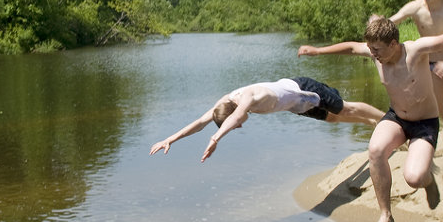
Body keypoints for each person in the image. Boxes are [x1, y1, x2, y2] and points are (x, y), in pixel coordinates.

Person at [298, 2, 443, 222]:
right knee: (375, 150)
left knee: (414, 177)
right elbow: (353, 48)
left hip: (424, 123)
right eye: (371, 49)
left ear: (393, 44)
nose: (372, 54)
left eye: (377, 50)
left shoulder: (415, 51)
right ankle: (386, 214)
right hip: (396, 119)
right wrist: (317, 50)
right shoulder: (375, 53)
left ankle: (428, 181)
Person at [149, 77, 384, 163]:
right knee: (332, 120)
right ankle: (368, 123)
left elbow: (239, 115)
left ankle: (386, 120)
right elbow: (200, 122)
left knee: (345, 108)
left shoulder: (246, 99)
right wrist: (170, 138)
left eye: (235, 124)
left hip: (303, 89)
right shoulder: (225, 101)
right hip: (295, 106)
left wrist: (216, 138)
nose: (240, 125)